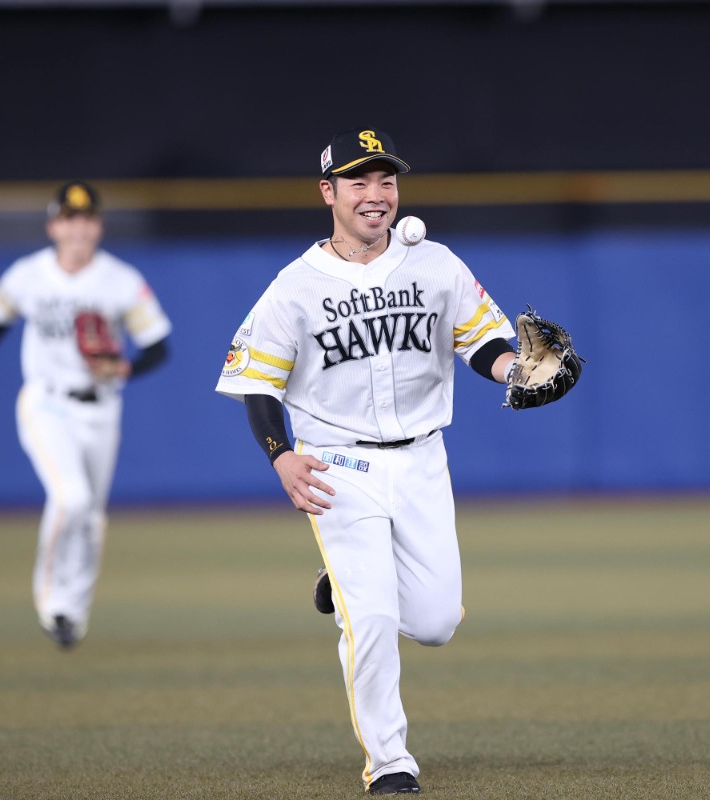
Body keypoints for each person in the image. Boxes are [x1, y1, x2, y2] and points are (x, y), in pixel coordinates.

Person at [215, 128, 520, 795]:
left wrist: (516, 371)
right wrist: (281, 457)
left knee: (436, 623)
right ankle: (389, 762)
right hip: (336, 465)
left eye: (386, 180)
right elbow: (257, 381)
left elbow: (482, 341)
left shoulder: (434, 263)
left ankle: (342, 585)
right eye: (359, 182)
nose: (376, 194)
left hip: (422, 460)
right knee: (373, 619)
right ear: (328, 192)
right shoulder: (295, 286)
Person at [0, 181, 172, 650]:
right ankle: (51, 601)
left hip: (101, 408)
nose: (78, 227)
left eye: (87, 218)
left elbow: (158, 346)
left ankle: (72, 613)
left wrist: (126, 367)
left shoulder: (121, 281)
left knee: (92, 519)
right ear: (53, 226)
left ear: (99, 226)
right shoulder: (28, 275)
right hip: (46, 402)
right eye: (69, 218)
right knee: (71, 498)